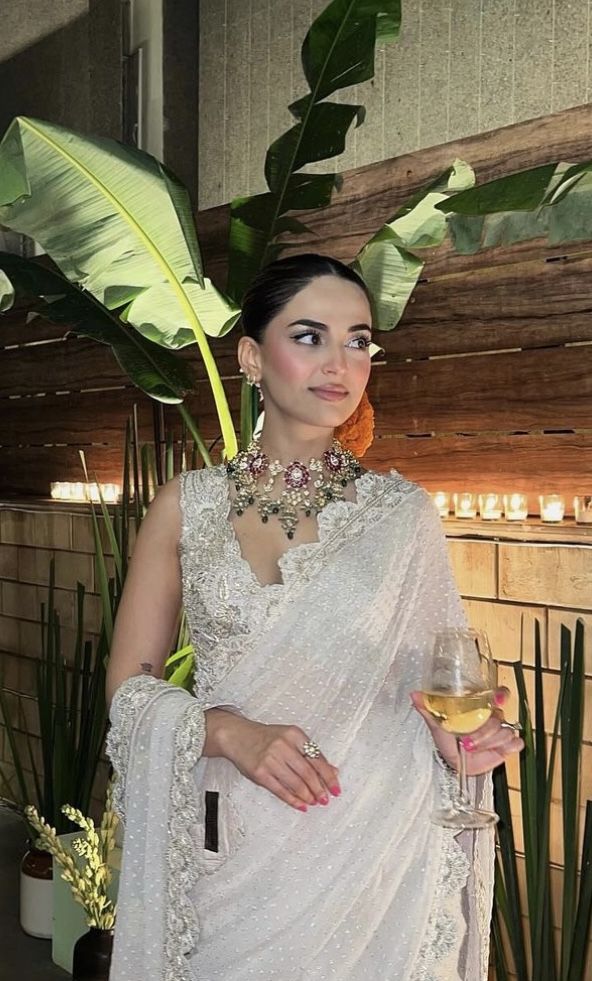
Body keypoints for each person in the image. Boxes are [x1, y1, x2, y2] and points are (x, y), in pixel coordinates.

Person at [105, 253, 523, 981]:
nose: (341, 362)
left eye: (358, 340)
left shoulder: (403, 517)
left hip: (368, 861)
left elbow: (428, 693)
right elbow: (128, 692)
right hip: (234, 852)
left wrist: (464, 745)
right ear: (249, 357)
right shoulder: (185, 507)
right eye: (309, 336)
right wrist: (226, 730)